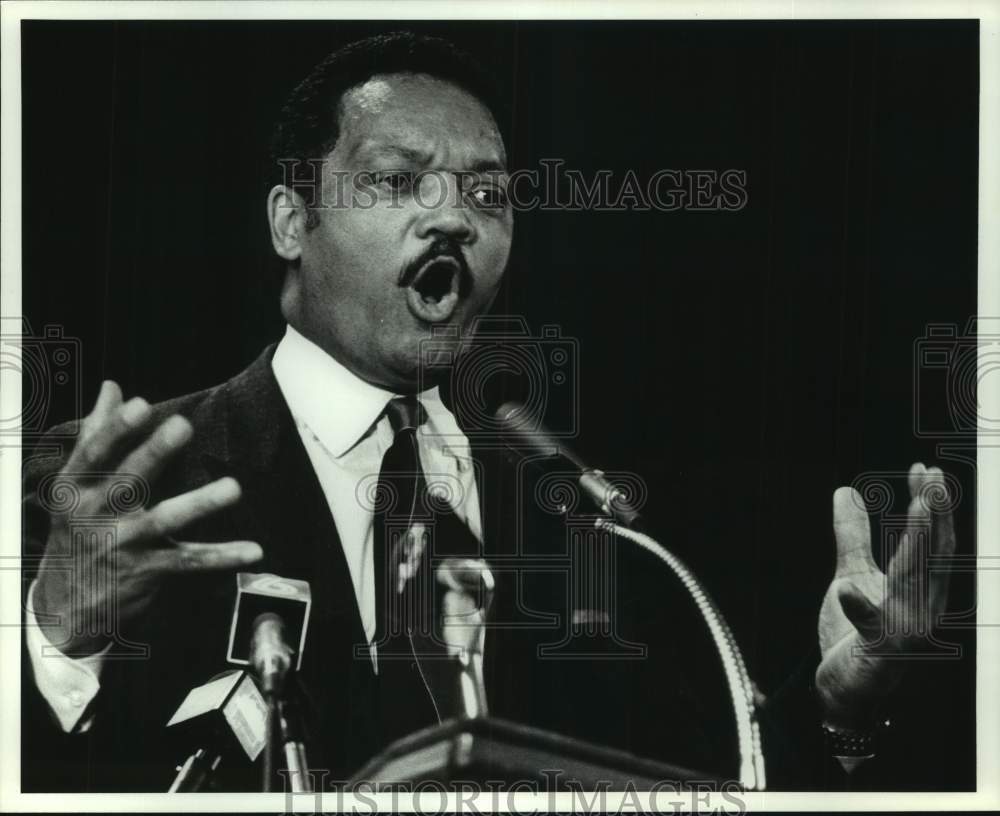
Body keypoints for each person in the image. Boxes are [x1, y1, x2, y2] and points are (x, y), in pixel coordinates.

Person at [21, 31, 957, 792]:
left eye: (488, 194)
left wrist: (840, 708)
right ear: (291, 221)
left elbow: (700, 781)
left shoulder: (581, 525)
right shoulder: (127, 491)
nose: (454, 219)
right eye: (397, 181)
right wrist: (59, 636)